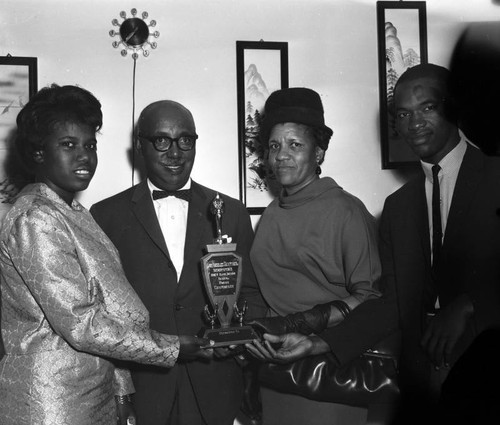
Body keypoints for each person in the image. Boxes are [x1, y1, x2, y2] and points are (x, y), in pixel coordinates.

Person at [0, 84, 211, 425]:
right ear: (39, 153)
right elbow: (83, 323)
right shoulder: (34, 218)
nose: (84, 156)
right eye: (69, 145)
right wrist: (171, 347)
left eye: (90, 145)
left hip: (92, 394)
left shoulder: (74, 214)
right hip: (50, 401)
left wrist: (122, 392)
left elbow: (109, 310)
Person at [90, 100, 266, 425]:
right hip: (144, 391)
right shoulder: (105, 216)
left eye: (185, 140)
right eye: (161, 141)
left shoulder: (231, 211)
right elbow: (101, 316)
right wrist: (118, 391)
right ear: (140, 147)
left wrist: (237, 342)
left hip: (215, 388)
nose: (175, 153)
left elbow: (251, 296)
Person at [245, 87, 383, 425]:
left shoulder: (345, 211)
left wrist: (302, 327)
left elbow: (371, 298)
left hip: (331, 369)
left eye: (295, 145)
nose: (281, 156)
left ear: (319, 152)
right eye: (274, 146)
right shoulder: (273, 213)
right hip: (277, 368)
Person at [379, 63, 500, 423]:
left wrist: (469, 304)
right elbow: (390, 303)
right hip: (422, 383)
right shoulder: (396, 207)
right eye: (403, 113)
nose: (414, 122)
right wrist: (320, 340)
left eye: (427, 107)